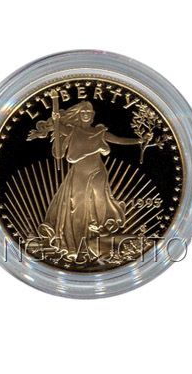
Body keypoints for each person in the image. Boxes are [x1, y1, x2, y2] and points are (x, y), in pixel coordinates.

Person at [28, 101, 141, 260]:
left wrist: (139, 141)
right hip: (79, 173)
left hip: (98, 171)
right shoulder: (72, 131)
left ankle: (98, 233)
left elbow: (118, 140)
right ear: (79, 115)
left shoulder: (99, 132)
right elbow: (58, 129)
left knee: (100, 199)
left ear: (93, 115)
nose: (86, 114)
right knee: (77, 205)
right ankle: (76, 243)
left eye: (89, 112)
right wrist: (55, 120)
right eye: (83, 112)